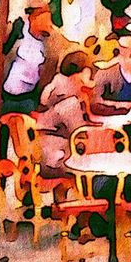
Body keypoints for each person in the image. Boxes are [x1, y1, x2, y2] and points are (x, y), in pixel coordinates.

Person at [1, 0, 72, 115]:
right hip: (9, 93)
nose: (49, 22)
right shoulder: (19, 27)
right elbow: (4, 52)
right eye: (45, 15)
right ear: (33, 16)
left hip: (30, 97)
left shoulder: (49, 40)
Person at [35, 50, 95, 179]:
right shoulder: (70, 102)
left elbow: (44, 98)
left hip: (49, 140)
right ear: (77, 74)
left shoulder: (62, 84)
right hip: (53, 154)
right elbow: (79, 131)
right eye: (86, 75)